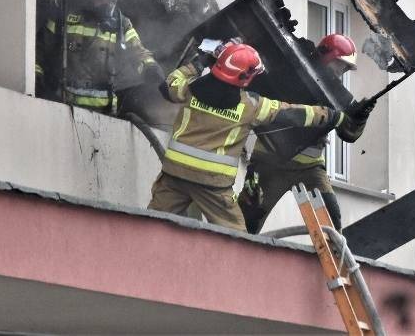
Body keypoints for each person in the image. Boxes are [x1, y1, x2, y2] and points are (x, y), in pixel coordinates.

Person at [148, 40, 366, 231]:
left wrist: (198, 63)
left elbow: (168, 85)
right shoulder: (249, 106)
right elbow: (293, 113)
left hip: (173, 175)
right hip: (211, 185)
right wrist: (332, 116)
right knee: (238, 241)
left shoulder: (190, 90)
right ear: (243, 78)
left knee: (149, 224)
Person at [240, 34, 376, 233]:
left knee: (332, 222)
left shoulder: (340, 95)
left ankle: (334, 260)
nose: (342, 72)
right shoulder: (290, 73)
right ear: (328, 57)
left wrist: (360, 118)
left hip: (310, 169)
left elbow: (349, 135)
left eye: (346, 68)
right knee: (247, 224)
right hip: (270, 164)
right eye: (340, 65)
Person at [35, 0, 164, 115]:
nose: (110, 3)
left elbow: (138, 52)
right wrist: (37, 82)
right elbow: (38, 52)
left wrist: (150, 68)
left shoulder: (121, 24)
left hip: (106, 114)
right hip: (64, 109)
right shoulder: (64, 19)